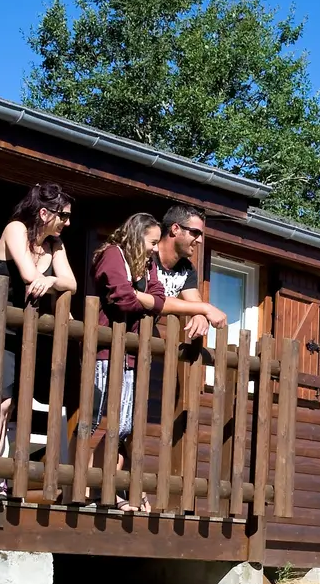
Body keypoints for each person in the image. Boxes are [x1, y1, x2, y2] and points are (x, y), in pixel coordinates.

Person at [85, 213, 226, 509]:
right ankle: (87, 490)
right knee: (101, 422)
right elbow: (124, 298)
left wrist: (194, 309)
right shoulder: (113, 255)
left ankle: (109, 490)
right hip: (108, 350)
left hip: (134, 354)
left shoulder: (150, 266)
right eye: (151, 242)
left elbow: (157, 298)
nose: (154, 249)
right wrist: (183, 306)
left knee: (123, 425)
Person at [0, 183, 76, 486]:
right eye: (63, 216)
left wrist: (50, 280)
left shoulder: (55, 245)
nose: (67, 223)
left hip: (22, 333)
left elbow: (71, 283)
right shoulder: (15, 229)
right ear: (44, 212)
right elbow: (28, 274)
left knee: (9, 405)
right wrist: (44, 278)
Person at [152, 205, 227, 341]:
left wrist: (199, 315)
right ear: (175, 229)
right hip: (114, 337)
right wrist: (205, 308)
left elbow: (194, 302)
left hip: (141, 346)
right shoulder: (147, 257)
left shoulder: (186, 268)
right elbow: (153, 300)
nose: (199, 240)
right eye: (195, 232)